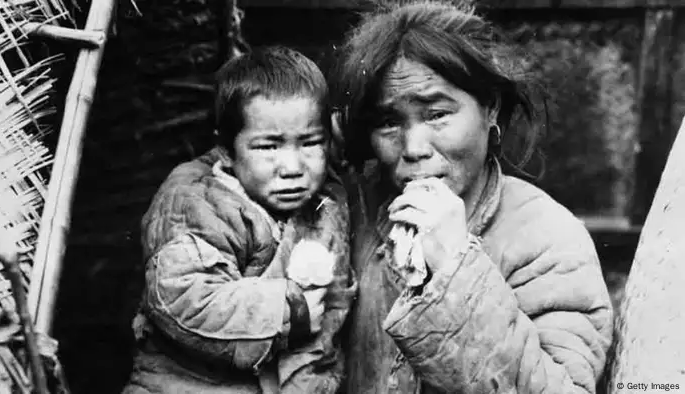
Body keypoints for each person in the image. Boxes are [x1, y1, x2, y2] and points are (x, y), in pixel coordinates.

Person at [329, 2, 614, 393]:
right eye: (389, 122)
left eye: (436, 115)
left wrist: (455, 267)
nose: (413, 148)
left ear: (490, 108)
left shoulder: (547, 240)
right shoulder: (357, 211)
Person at [123, 46, 356, 394]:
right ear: (227, 152)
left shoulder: (324, 205)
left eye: (310, 143)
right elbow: (183, 298)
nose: (292, 168)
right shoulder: (200, 202)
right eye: (268, 147)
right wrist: (290, 311)